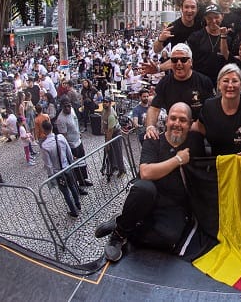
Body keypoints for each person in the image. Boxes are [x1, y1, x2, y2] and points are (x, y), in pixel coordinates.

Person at [94, 102, 206, 262]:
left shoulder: (195, 141)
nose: (177, 124)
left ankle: (124, 222)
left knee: (169, 238)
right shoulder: (153, 139)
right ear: (166, 121)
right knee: (143, 188)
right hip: (149, 197)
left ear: (190, 124)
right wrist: (178, 159)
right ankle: (119, 234)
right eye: (173, 118)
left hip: (173, 205)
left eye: (182, 120)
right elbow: (145, 173)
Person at [143, 44, 214, 140]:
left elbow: (211, 110)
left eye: (183, 60)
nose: (179, 63)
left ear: (191, 62)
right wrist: (150, 127)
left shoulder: (204, 81)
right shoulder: (165, 83)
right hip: (175, 134)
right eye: (174, 60)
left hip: (199, 134)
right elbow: (154, 108)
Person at [39, 120, 84, 218]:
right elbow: (68, 152)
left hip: (58, 172)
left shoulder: (45, 145)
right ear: (51, 128)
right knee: (72, 186)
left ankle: (73, 211)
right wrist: (71, 162)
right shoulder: (60, 137)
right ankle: (78, 204)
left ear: (44, 130)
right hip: (67, 167)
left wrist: (51, 176)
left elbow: (48, 164)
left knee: (65, 192)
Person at [186, 4, 230, 84]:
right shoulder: (196, 36)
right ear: (205, 19)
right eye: (209, 18)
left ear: (222, 16)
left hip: (221, 81)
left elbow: (228, 58)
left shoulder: (228, 38)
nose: (213, 21)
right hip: (199, 81)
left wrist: (223, 36)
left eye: (216, 17)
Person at [55, 99, 93, 187]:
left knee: (82, 162)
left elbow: (76, 122)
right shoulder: (61, 119)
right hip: (71, 145)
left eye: (69, 106)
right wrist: (68, 151)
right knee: (75, 166)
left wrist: (78, 132)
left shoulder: (72, 111)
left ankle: (83, 179)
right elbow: (63, 136)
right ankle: (77, 184)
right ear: (62, 107)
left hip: (78, 141)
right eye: (65, 107)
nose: (68, 108)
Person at [100, 97, 126, 180]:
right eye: (103, 102)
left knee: (118, 152)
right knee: (110, 152)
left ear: (110, 103)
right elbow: (103, 121)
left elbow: (110, 131)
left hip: (115, 133)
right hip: (108, 132)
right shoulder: (104, 110)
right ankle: (113, 166)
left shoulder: (111, 115)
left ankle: (122, 170)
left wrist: (107, 143)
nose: (104, 103)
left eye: (106, 102)